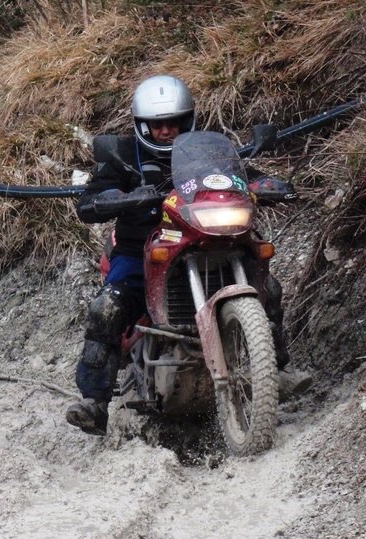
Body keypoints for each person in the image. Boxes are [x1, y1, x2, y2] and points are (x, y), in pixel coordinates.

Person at [65, 74, 295, 436]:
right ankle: (94, 402)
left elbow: (243, 176)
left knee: (272, 289)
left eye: (174, 122)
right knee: (106, 308)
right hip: (140, 250)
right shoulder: (123, 155)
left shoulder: (212, 153)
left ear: (189, 120)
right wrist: (116, 198)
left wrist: (267, 184)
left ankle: (277, 372)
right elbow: (93, 198)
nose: (167, 131)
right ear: (142, 125)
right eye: (157, 125)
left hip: (208, 240)